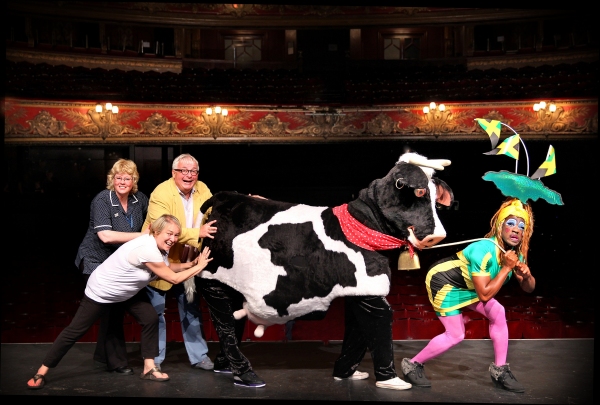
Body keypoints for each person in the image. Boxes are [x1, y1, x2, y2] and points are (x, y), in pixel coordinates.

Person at [26, 214, 213, 389]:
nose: (173, 238)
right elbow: (172, 278)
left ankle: (149, 368)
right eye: (169, 234)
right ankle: (41, 371)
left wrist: (190, 264)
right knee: (75, 331)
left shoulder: (158, 247)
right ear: (156, 232)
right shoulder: (146, 248)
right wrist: (200, 267)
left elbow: (166, 266)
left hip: (125, 293)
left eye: (176, 235)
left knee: (149, 317)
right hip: (102, 291)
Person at [400, 197, 536, 393]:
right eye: (511, 223)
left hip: (470, 284)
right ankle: (412, 364)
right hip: (444, 280)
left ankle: (500, 370)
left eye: (521, 226)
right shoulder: (483, 250)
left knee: (498, 312)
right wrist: (506, 268)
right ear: (500, 226)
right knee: (455, 335)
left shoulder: (515, 254)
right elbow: (484, 295)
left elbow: (529, 289)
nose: (516, 229)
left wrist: (527, 276)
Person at [142, 153, 217, 372]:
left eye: (193, 171)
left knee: (191, 309)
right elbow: (163, 228)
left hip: (188, 258)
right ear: (174, 173)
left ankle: (199, 356)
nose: (189, 175)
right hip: (160, 258)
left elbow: (213, 213)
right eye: (183, 170)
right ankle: (153, 359)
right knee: (156, 312)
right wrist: (198, 232)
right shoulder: (161, 191)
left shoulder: (203, 189)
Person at [74, 158, 149, 375]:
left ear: (133, 180)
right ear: (112, 179)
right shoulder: (102, 199)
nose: (123, 182)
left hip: (118, 262)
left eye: (127, 178)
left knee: (111, 311)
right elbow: (105, 236)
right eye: (118, 178)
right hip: (95, 260)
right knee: (110, 308)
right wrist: (141, 236)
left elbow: (153, 220)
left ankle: (103, 356)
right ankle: (117, 362)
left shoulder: (139, 199)